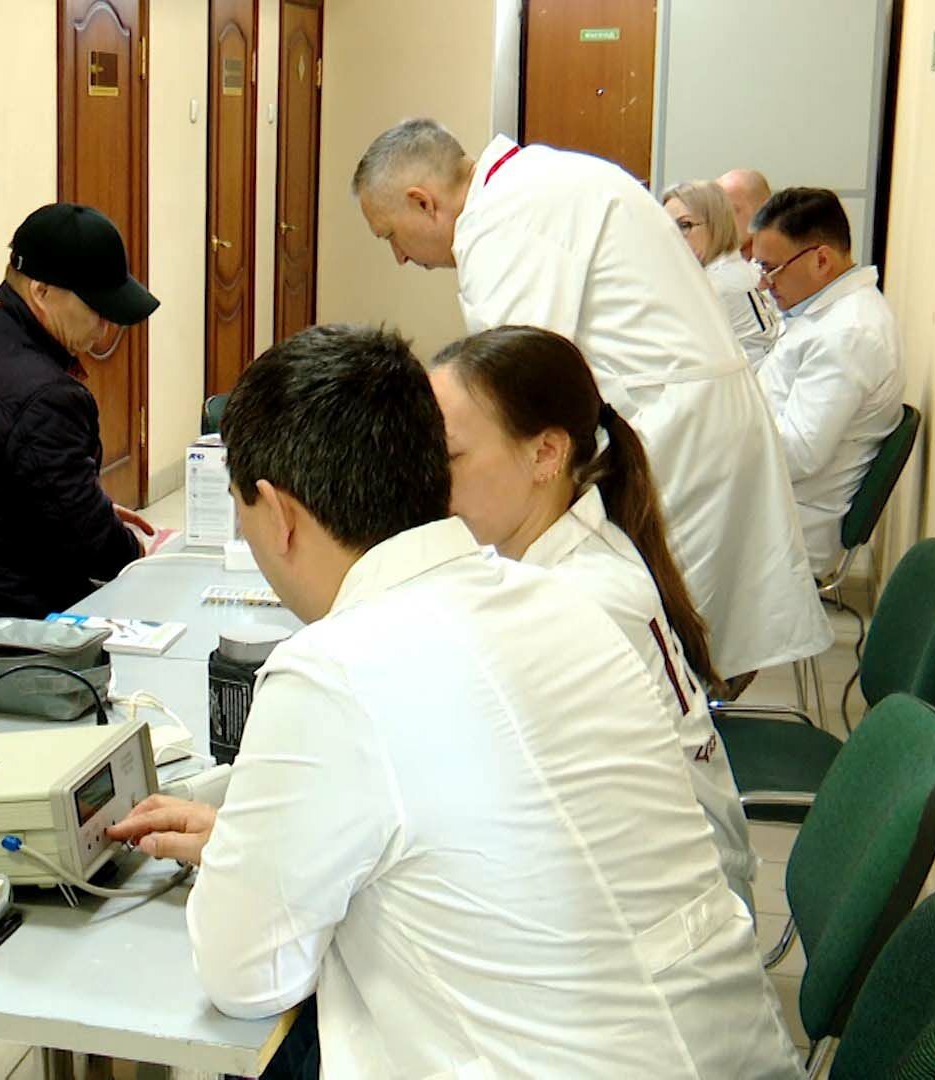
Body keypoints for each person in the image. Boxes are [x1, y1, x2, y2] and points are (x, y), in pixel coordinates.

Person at [108, 323, 798, 1079]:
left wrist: (254, 861)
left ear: (277, 514)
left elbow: (245, 977)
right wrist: (264, 841)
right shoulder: (561, 598)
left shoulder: (330, 673)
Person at [350, 117, 830, 684]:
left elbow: (512, 390)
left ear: (422, 202)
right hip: (691, 416)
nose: (400, 259)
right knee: (678, 638)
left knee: (661, 653)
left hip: (676, 432)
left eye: (390, 236)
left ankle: (679, 760)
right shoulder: (536, 179)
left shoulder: (506, 221)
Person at [428, 324, 758, 911]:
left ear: (546, 454)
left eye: (449, 457)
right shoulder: (567, 543)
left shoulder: (580, 600)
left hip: (675, 908)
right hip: (655, 875)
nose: (428, 480)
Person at [0, 202, 165, 688]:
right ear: (40, 291)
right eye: (97, 311)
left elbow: (20, 491)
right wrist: (143, 554)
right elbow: (96, 551)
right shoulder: (45, 395)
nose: (107, 331)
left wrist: (90, 507)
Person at [751, 187, 905, 576]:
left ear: (821, 260)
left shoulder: (848, 334)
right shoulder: (829, 315)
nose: (764, 284)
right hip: (775, 497)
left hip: (792, 522)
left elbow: (799, 455)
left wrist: (722, 427)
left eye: (771, 268)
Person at [663, 179, 781, 368]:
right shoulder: (731, 269)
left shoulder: (720, 282)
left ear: (715, 225)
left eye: (684, 225)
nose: (673, 236)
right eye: (667, 227)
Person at [718, 168, 772, 261]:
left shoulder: (785, 263)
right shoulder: (704, 264)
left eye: (731, 210)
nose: (719, 219)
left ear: (764, 211)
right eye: (716, 211)